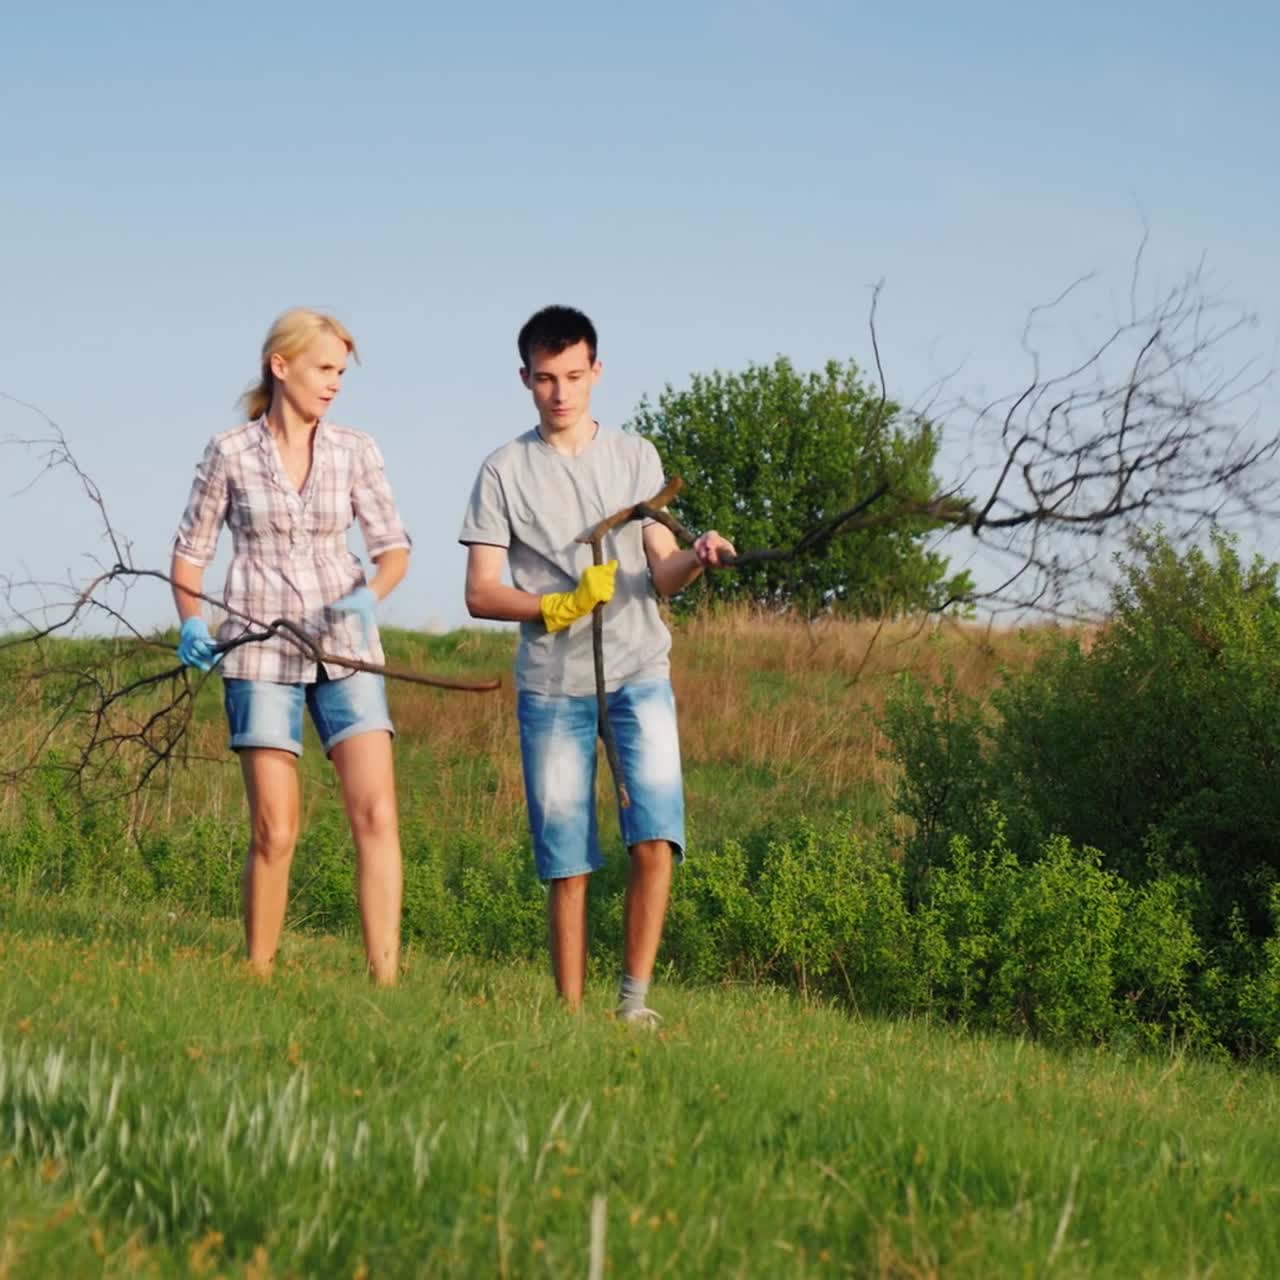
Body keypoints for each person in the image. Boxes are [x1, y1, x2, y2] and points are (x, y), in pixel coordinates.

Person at [459, 305, 734, 1024]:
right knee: (568, 860)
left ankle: (635, 1004)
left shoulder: (635, 457)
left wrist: (696, 559)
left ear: (597, 372)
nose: (561, 393)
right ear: (524, 378)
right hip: (554, 687)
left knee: (658, 836)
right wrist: (557, 604)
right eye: (546, 379)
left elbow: (661, 571)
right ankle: (570, 1017)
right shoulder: (503, 471)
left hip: (642, 674)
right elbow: (480, 592)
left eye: (574, 376)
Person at [170, 308, 412, 985]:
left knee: (376, 811)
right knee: (276, 829)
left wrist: (372, 595)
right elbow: (189, 558)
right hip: (257, 650)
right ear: (282, 366)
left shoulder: (356, 449)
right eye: (324, 369)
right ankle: (258, 973)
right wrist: (192, 621)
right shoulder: (229, 452)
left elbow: (393, 548)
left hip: (347, 650)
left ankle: (385, 979)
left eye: (341, 371)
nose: (335, 383)